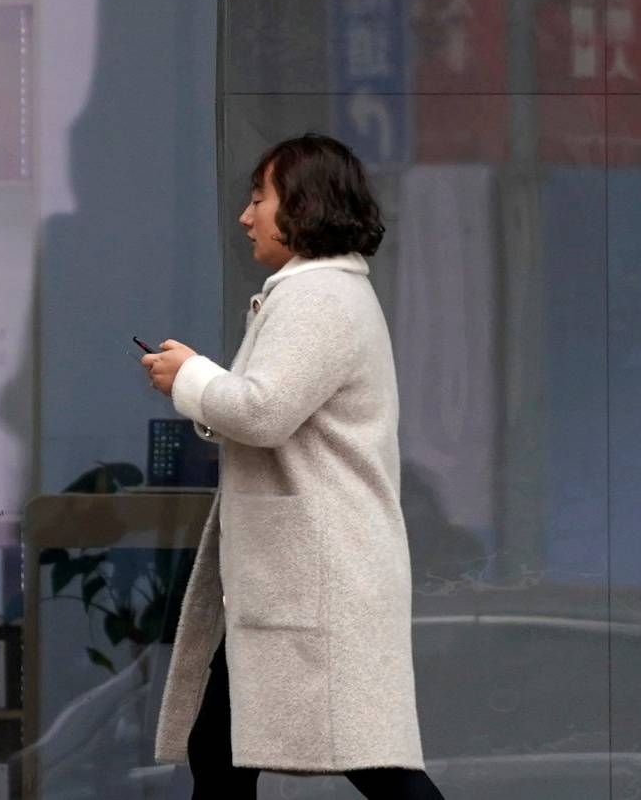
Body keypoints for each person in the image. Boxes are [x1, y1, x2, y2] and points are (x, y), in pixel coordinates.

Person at [142, 133, 444, 799]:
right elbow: (271, 410)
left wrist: (188, 376)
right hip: (305, 574)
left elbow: (262, 411)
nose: (246, 216)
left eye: (260, 199)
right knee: (222, 755)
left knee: (377, 767)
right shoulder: (323, 294)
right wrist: (197, 380)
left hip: (317, 575)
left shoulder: (317, 298)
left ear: (303, 207)